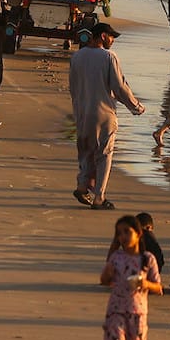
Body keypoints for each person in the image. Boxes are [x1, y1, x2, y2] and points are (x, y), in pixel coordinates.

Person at [69, 24, 144, 210]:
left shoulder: (76, 57)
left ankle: (82, 185)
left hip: (82, 111)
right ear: (103, 36)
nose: (112, 41)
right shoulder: (109, 57)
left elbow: (73, 87)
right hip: (103, 112)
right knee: (104, 154)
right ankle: (99, 198)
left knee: (86, 151)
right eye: (111, 37)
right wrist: (136, 106)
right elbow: (119, 87)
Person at [100, 214, 162, 340]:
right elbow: (104, 280)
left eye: (127, 232)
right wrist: (107, 274)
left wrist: (144, 283)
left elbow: (158, 287)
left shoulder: (147, 259)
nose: (124, 237)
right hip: (116, 311)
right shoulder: (116, 257)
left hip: (138, 313)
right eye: (120, 234)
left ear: (138, 233)